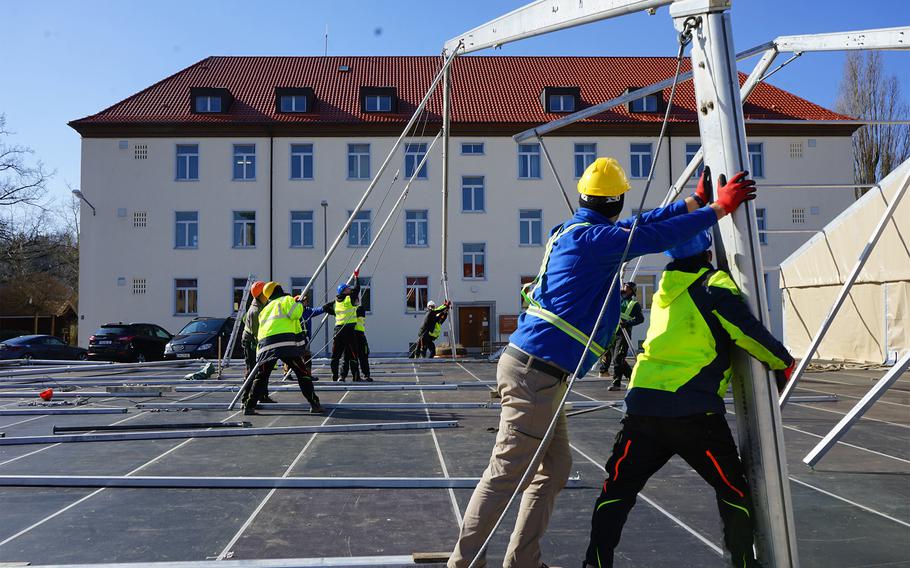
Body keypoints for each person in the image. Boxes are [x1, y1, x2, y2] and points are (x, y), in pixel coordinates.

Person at [447, 159, 756, 568]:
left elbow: (638, 226)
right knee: (506, 472)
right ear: (617, 200)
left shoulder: (578, 232)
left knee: (555, 468)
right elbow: (651, 234)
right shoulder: (596, 241)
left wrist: (692, 203)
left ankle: (523, 561)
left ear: (583, 197)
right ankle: (463, 562)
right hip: (536, 374)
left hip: (539, 373)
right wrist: (717, 209)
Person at [582, 229, 796, 568]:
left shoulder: (664, 291)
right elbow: (746, 331)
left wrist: (696, 209)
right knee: (733, 492)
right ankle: (742, 562)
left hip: (643, 408)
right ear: (709, 255)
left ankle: (594, 563)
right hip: (693, 412)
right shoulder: (714, 286)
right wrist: (783, 363)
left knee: (617, 491)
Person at [244, 282, 324, 415]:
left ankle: (249, 406)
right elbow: (296, 314)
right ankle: (314, 404)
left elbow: (261, 331)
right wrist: (298, 304)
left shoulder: (265, 309)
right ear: (279, 289)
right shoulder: (286, 300)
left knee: (262, 376)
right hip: (285, 343)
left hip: (266, 345)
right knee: (302, 373)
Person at [601, 282, 644, 391]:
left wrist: (627, 323)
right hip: (613, 333)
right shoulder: (617, 299)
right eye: (624, 286)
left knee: (618, 358)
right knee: (618, 360)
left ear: (631, 291)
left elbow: (640, 319)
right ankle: (632, 377)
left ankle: (616, 382)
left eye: (627, 288)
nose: (624, 288)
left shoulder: (634, 304)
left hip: (624, 334)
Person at [322, 272, 362, 382]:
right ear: (344, 291)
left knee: (336, 356)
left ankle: (335, 377)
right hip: (349, 330)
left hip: (338, 331)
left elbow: (325, 307)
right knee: (353, 354)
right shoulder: (349, 299)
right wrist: (356, 277)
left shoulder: (335, 302)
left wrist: (334, 312)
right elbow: (357, 288)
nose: (350, 290)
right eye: (348, 289)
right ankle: (356, 377)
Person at [241, 280, 275, 405]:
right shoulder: (255, 311)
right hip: (251, 342)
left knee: (263, 370)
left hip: (257, 341)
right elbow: (257, 333)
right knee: (252, 371)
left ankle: (263, 395)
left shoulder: (263, 305)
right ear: (260, 294)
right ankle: (245, 398)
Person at [341, 306, 371, 381]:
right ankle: (343, 376)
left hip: (359, 334)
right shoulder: (347, 310)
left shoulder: (360, 308)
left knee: (363, 355)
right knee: (347, 356)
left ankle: (366, 374)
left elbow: (354, 315)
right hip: (349, 334)